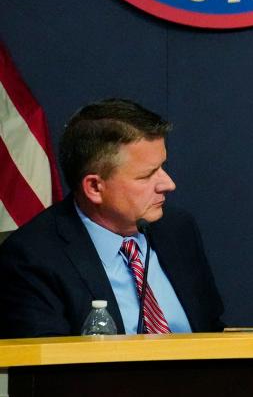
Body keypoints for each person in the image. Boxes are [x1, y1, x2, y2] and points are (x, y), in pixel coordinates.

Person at [0, 98, 224, 338]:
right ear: (95, 187)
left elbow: (212, 328)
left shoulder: (177, 229)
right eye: (147, 175)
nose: (168, 184)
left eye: (163, 167)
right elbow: (47, 371)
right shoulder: (33, 259)